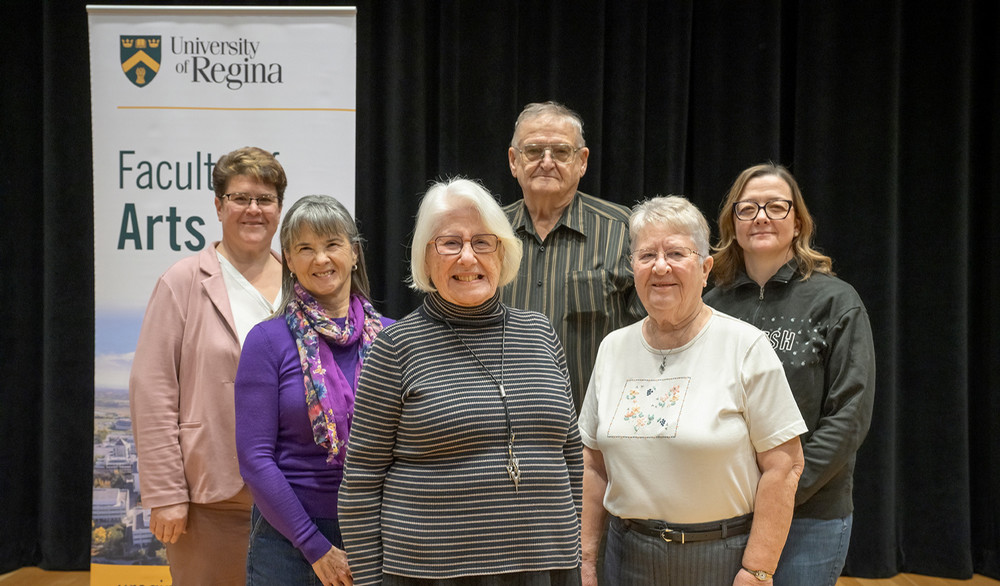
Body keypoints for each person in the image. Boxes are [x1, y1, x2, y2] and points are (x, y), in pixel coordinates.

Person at [339, 177, 583, 586]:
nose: (468, 257)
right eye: (450, 243)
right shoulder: (396, 348)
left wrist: (572, 548)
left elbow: (571, 456)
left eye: (482, 242)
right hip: (433, 574)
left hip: (547, 567)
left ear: (501, 251)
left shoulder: (539, 332)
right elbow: (361, 484)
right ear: (425, 257)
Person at [579, 196, 808, 586]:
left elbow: (784, 466)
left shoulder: (744, 346)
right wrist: (584, 560)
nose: (660, 266)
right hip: (627, 557)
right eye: (646, 254)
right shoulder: (613, 348)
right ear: (633, 268)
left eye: (675, 253)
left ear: (704, 269)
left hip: (719, 558)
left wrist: (757, 569)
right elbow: (593, 466)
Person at [704, 163, 876, 586]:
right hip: (725, 513)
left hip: (810, 514)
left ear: (797, 222)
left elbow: (850, 414)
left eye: (776, 207)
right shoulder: (709, 305)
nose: (761, 216)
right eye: (748, 209)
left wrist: (782, 494)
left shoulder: (836, 300)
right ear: (733, 223)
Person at [129, 146, 286, 584]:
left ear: (279, 208)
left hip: (295, 497)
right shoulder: (182, 282)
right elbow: (153, 391)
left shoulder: (302, 281)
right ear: (218, 206)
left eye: (265, 199)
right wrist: (165, 494)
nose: (253, 209)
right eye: (240, 198)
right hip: (211, 499)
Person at [235, 195, 393, 586]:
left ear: (354, 253)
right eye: (305, 248)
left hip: (379, 534)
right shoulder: (267, 341)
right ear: (289, 260)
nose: (320, 259)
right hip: (288, 541)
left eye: (332, 245)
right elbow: (255, 459)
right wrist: (314, 546)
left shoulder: (395, 338)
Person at [502, 101, 644, 411]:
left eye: (561, 152)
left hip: (596, 436)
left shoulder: (623, 231)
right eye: (534, 150)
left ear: (582, 161)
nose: (547, 161)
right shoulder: (487, 236)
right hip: (501, 432)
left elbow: (654, 333)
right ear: (514, 161)